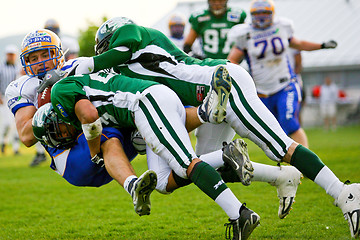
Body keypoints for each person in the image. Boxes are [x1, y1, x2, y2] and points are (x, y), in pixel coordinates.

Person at [65, 17, 360, 239]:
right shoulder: (125, 68)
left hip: (221, 83)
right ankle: (281, 177)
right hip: (206, 100)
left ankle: (344, 193)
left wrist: (91, 61)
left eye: (105, 50)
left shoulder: (136, 36)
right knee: (203, 167)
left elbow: (126, 41)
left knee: (279, 146)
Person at [50, 67, 260, 240]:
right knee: (161, 182)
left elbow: (89, 114)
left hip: (146, 105)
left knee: (186, 164)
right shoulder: (93, 83)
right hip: (153, 102)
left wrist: (95, 152)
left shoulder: (61, 88)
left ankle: (239, 213)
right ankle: (219, 151)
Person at [227, 0, 338, 148]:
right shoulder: (244, 34)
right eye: (257, 13)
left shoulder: (282, 26)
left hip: (285, 85)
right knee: (271, 129)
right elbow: (232, 60)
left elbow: (299, 44)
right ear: (251, 15)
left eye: (265, 13)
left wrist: (321, 45)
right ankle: (285, 161)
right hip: (260, 91)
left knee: (289, 122)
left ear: (272, 13)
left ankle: (307, 162)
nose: (261, 17)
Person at [32, 103, 157, 216]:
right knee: (104, 133)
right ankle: (132, 185)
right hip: (71, 162)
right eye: (58, 133)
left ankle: (166, 177)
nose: (64, 134)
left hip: (99, 171)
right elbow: (26, 137)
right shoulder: (30, 92)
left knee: (134, 135)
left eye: (60, 129)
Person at [0, 45, 21, 155]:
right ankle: (4, 142)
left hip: (16, 98)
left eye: (13, 55)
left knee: (16, 123)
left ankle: (16, 148)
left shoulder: (18, 67)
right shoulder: (1, 67)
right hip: (3, 98)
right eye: (9, 54)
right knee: (7, 124)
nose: (11, 57)